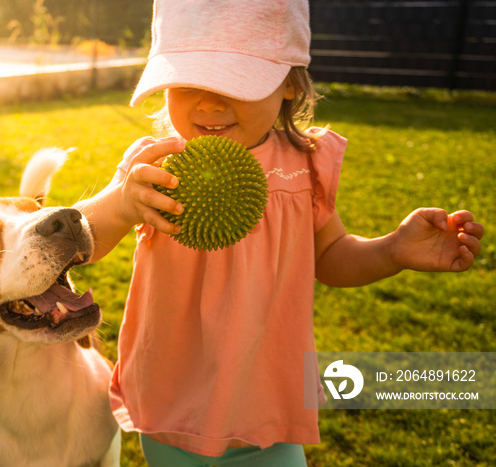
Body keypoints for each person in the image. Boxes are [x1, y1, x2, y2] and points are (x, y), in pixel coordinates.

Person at [75, 0, 484, 465]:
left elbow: (330, 255)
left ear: (290, 83)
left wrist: (391, 250)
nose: (208, 101)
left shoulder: (303, 167)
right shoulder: (156, 166)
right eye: (187, 83)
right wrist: (123, 203)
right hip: (173, 405)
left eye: (233, 82)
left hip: (265, 406)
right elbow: (82, 242)